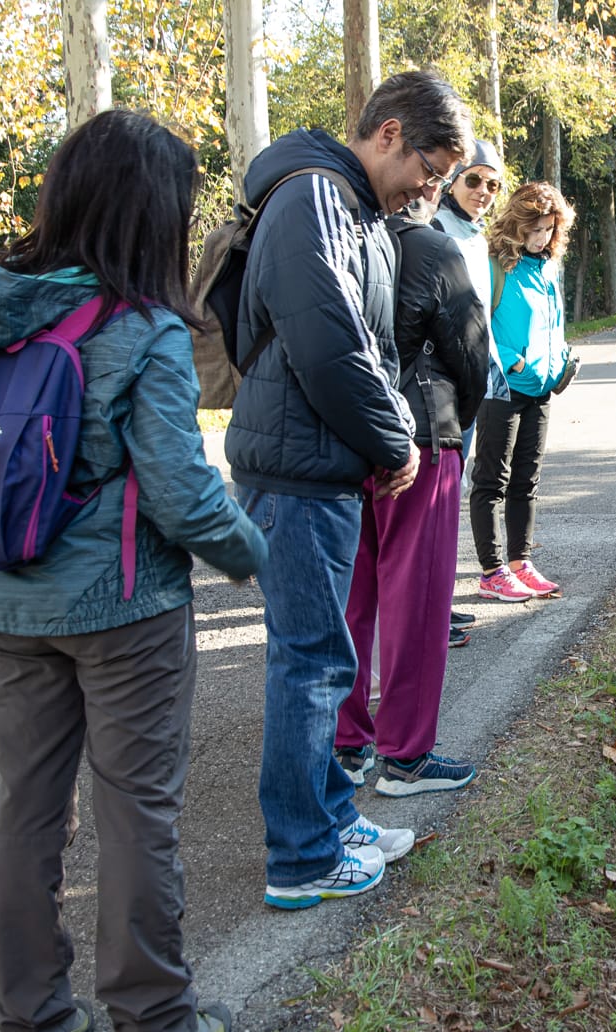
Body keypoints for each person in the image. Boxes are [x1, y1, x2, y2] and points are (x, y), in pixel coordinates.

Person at [0, 110, 266, 1032]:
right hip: (127, 613)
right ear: (154, 213)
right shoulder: (146, 330)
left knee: (28, 810)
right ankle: (157, 1030)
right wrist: (260, 563)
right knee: (136, 817)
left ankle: (32, 1027)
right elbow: (182, 493)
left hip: (4, 599)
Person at [225, 71, 475, 909]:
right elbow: (329, 344)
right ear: (390, 133)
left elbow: (361, 344)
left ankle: (331, 817)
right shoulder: (314, 201)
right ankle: (302, 857)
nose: (430, 192)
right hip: (295, 473)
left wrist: (379, 435)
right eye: (432, 172)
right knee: (311, 665)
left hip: (317, 467)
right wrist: (393, 436)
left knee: (324, 658)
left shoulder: (349, 207)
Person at [335, 191, 488, 796]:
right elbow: (471, 350)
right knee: (417, 597)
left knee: (355, 591)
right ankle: (407, 755)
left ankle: (348, 743)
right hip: (422, 433)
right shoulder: (430, 246)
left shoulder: (337, 238)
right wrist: (456, 419)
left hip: (348, 434)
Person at [468, 181, 576, 602]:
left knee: (527, 481)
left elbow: (552, 323)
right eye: (535, 228)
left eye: (549, 228)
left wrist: (562, 358)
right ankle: (491, 570)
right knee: (492, 479)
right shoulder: (495, 264)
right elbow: (480, 322)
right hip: (502, 387)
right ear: (517, 222)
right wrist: (514, 359)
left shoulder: (547, 267)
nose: (542, 237)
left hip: (542, 389)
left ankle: (520, 562)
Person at [433, 138, 507, 645]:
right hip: (440, 384)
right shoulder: (434, 228)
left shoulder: (477, 236)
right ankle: (426, 611)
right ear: (452, 180)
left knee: (450, 499)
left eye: (492, 183)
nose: (483, 190)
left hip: (473, 380)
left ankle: (436, 603)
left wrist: (493, 365)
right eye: (474, 179)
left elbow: (481, 312)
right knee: (435, 501)